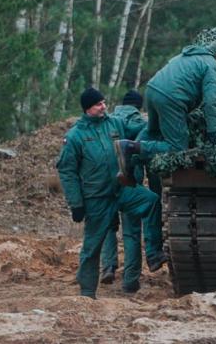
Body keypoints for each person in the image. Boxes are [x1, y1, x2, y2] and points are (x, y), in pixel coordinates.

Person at [113, 39, 216, 261]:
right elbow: (211, 101)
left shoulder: (187, 56)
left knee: (152, 132)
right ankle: (131, 147)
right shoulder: (211, 65)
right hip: (172, 99)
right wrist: (213, 132)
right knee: (177, 148)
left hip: (153, 90)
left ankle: (128, 160)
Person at [55, 87, 159, 298]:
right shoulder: (75, 136)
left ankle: (155, 252)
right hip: (97, 198)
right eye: (98, 104)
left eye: (104, 102)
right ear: (87, 109)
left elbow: (138, 130)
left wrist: (158, 118)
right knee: (92, 247)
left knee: (152, 200)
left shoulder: (114, 124)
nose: (104, 107)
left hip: (121, 189)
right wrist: (76, 204)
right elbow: (67, 171)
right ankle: (87, 293)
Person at [99, 90, 156, 284]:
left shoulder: (108, 120)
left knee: (108, 227)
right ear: (138, 107)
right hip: (128, 182)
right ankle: (130, 280)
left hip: (104, 182)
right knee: (131, 231)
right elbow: (147, 145)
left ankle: (108, 267)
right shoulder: (136, 122)